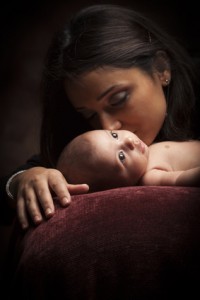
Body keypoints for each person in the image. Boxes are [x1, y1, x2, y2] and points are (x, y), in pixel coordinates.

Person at [1, 4, 199, 229]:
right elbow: (23, 177)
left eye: (118, 100)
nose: (107, 125)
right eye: (90, 115)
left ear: (161, 69)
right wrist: (22, 181)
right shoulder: (88, 142)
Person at [57, 130, 200, 192]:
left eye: (114, 135)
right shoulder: (150, 176)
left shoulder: (147, 152)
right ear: (121, 185)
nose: (129, 141)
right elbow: (181, 179)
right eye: (121, 157)